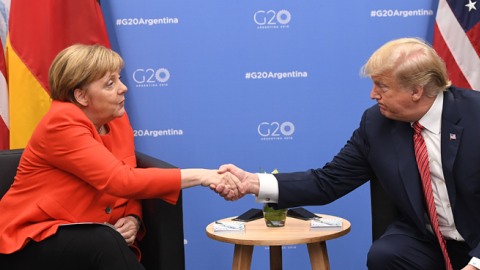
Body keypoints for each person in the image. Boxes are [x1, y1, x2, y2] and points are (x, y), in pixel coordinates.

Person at [213, 38, 480, 270]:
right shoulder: (376, 124)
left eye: (382, 86)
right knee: (386, 256)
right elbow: (327, 181)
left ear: (416, 90)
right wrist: (252, 183)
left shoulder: (475, 115)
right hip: (430, 239)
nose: (373, 94)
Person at [0, 44, 241, 270]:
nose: (123, 88)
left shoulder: (116, 119)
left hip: (88, 231)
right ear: (82, 97)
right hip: (28, 236)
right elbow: (120, 180)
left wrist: (133, 217)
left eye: (119, 79)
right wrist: (201, 175)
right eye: (109, 83)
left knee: (105, 239)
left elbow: (129, 174)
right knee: (103, 241)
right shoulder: (61, 123)